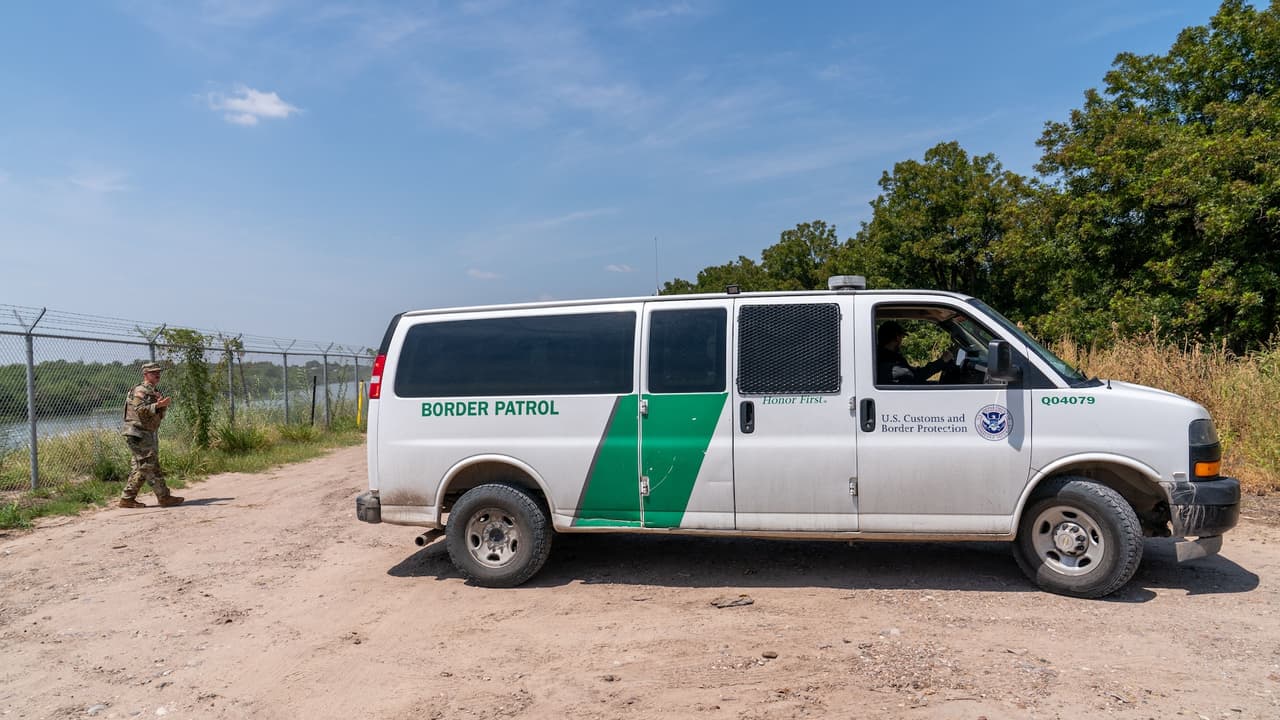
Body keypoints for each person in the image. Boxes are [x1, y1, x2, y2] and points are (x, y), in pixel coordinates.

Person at [119, 362, 184, 508]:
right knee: (150, 465)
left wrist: (161, 406)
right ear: (146, 374)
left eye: (158, 372)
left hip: (146, 432)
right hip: (137, 433)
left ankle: (127, 499)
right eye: (154, 372)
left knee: (141, 467)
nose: (157, 374)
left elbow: (157, 414)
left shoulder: (153, 391)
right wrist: (158, 405)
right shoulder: (140, 390)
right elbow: (139, 409)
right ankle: (164, 497)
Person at [876, 321, 954, 384]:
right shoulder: (889, 360)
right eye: (902, 337)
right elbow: (916, 376)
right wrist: (942, 361)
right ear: (897, 338)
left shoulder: (880, 356)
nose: (902, 341)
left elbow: (912, 372)